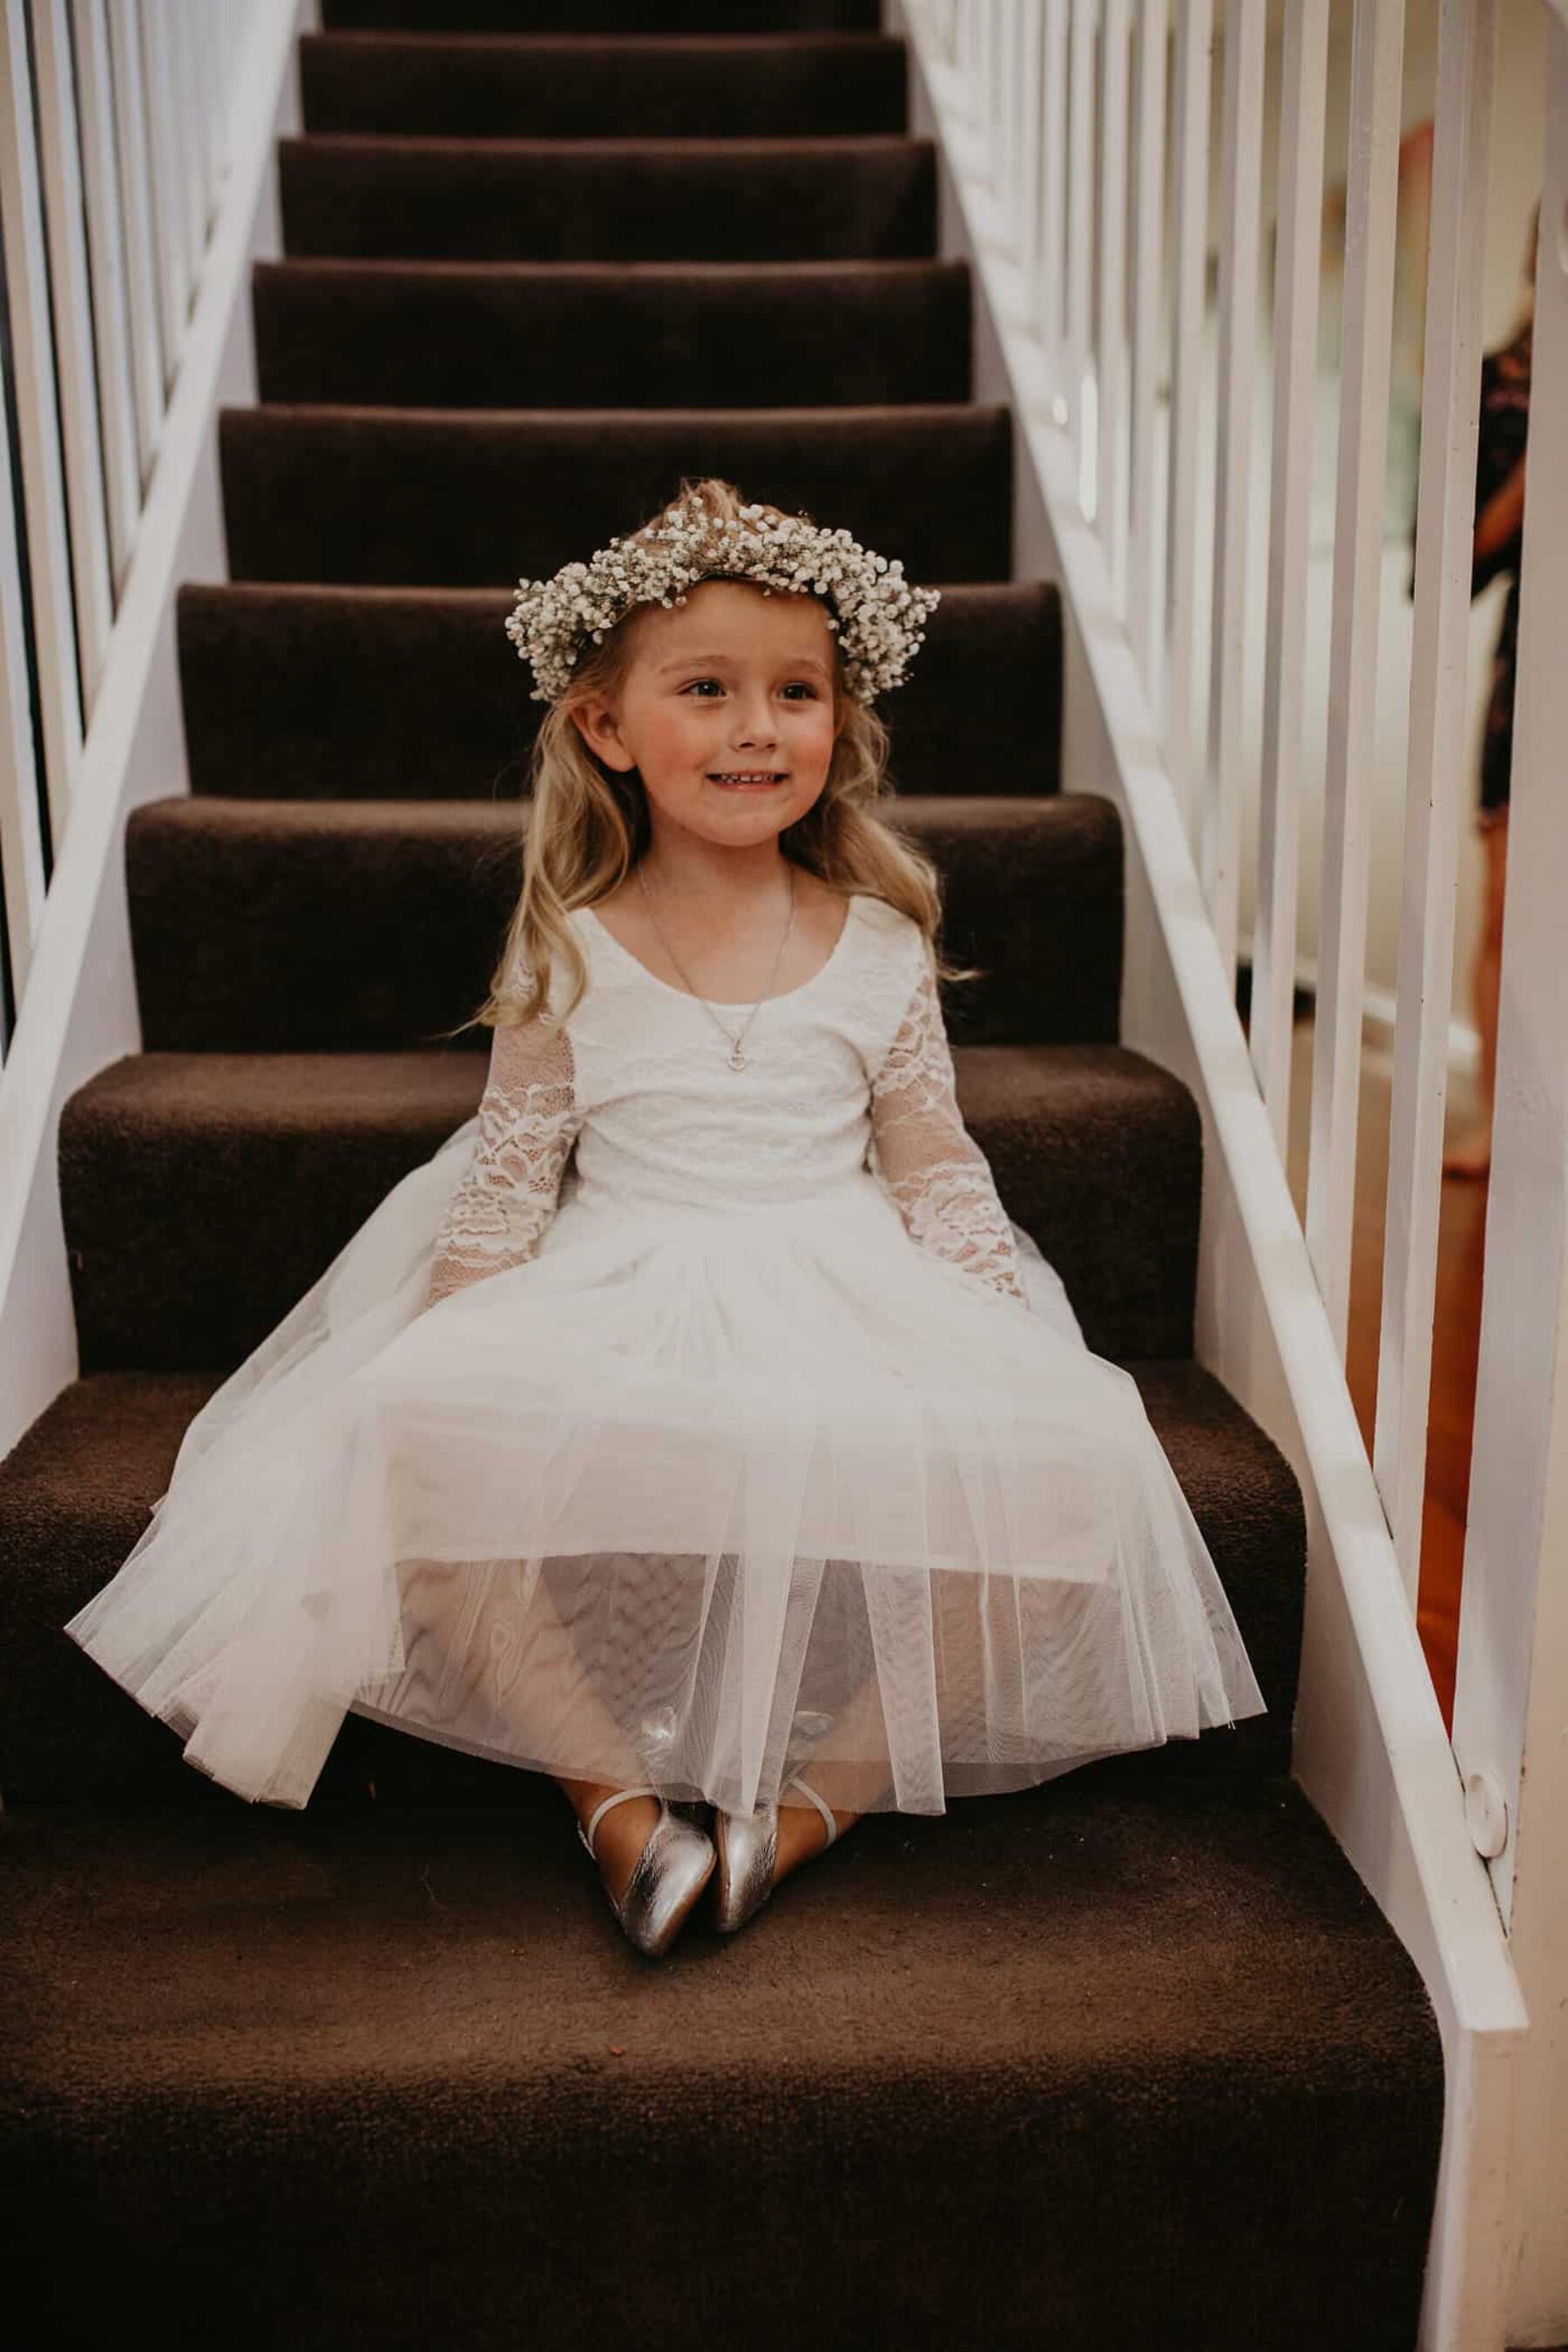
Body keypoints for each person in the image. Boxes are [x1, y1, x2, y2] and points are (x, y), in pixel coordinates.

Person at [64, 478, 1266, 1958]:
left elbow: (935, 1162)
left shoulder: (880, 942)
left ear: (843, 725)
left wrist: (998, 1329)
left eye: (797, 693)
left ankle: (808, 1810)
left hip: (836, 1270)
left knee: (1079, 1457)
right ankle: (619, 1811)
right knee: (404, 1446)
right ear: (607, 728)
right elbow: (510, 1182)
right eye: (708, 690)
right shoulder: (574, 944)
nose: (760, 728)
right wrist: (454, 1352)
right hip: (624, 1270)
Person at [1444, 205, 1537, 1179]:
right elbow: (1448, 566)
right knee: (1507, 907)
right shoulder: (1500, 390)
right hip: (1535, 676)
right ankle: (1502, 1124)